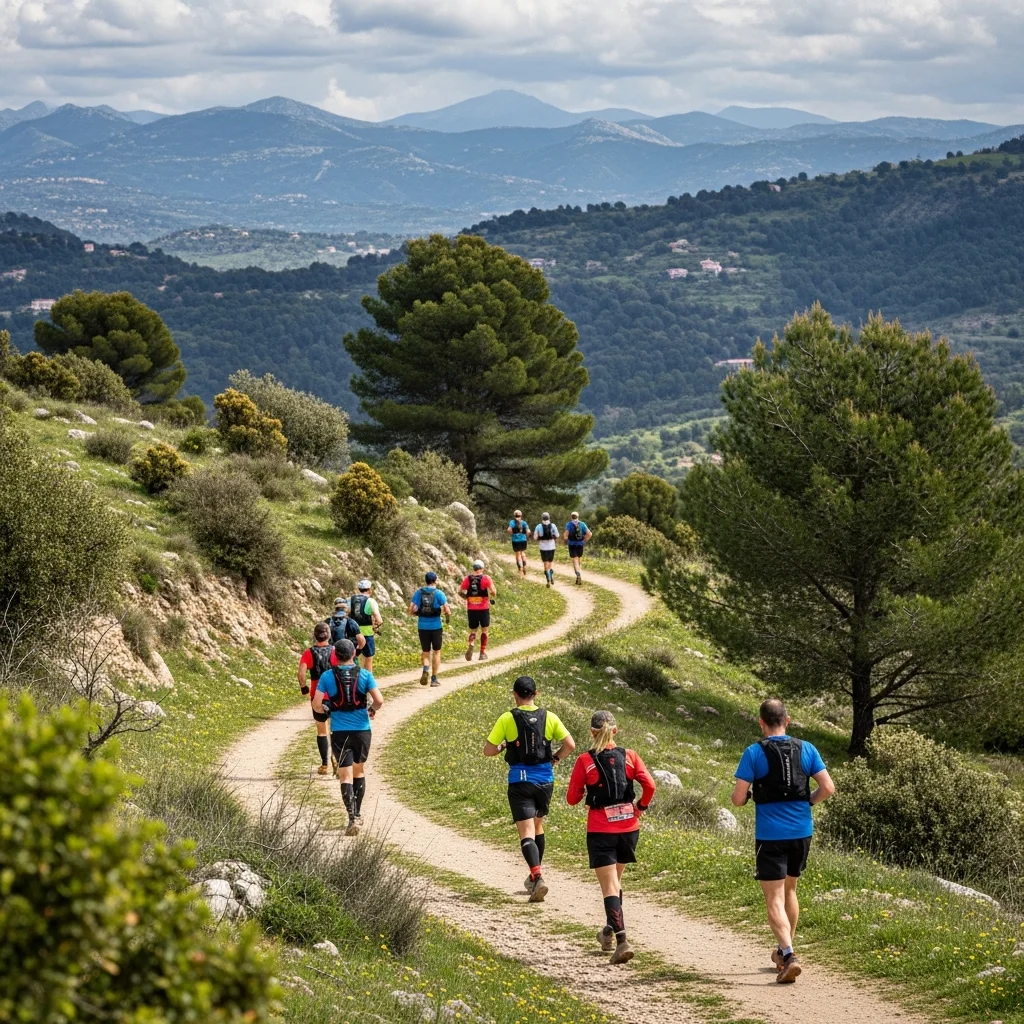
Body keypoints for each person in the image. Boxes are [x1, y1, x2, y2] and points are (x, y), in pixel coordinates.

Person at [730, 698, 835, 985]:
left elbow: (739, 799)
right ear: (787, 720)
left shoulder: (754, 752)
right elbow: (827, 788)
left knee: (773, 897)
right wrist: (808, 802)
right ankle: (783, 951)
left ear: (761, 722)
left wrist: (749, 796)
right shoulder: (807, 749)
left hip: (771, 835)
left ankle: (789, 955)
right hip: (802, 832)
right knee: (791, 890)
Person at [566, 710, 656, 965]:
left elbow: (572, 799)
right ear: (615, 731)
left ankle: (622, 940)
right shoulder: (630, 756)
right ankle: (607, 933)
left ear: (591, 732)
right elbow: (650, 785)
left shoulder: (586, 760)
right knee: (615, 882)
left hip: (601, 829)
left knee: (609, 887)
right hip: (629, 828)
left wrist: (585, 793)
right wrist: (641, 807)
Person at [483, 675, 575, 904]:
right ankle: (534, 877)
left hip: (520, 780)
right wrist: (555, 759)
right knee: (537, 826)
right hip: (545, 780)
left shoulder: (507, 718)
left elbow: (488, 750)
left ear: (514, 694)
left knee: (526, 833)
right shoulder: (550, 717)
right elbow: (570, 745)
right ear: (536, 694)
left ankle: (537, 876)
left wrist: (504, 745)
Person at [312, 638, 383, 836]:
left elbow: (317, 704)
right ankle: (358, 814)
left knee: (345, 774)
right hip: (362, 730)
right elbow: (379, 700)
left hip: (339, 731)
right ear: (353, 654)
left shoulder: (327, 676)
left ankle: (351, 816)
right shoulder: (365, 674)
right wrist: (371, 710)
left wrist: (326, 710)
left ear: (335, 656)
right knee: (359, 771)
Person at [296, 622, 335, 776]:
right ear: (329, 635)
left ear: (314, 635)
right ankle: (337, 759)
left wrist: (303, 687)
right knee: (336, 728)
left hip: (317, 696)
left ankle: (324, 764)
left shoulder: (308, 653)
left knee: (321, 730)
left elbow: (301, 674)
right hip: (333, 694)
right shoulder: (334, 651)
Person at [408, 571, 451, 687]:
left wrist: (415, 613)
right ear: (435, 580)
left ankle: (426, 668)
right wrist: (447, 616)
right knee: (436, 652)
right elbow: (447, 610)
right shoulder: (439, 593)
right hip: (436, 626)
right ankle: (434, 678)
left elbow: (411, 609)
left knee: (425, 652)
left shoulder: (419, 593)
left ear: (425, 580)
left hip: (422, 627)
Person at [460, 558, 496, 661]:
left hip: (471, 608)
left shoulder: (467, 579)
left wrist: (466, 597)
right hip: (483, 608)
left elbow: (460, 591)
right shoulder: (486, 578)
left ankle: (471, 644)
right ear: (482, 568)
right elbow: (494, 592)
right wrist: (490, 595)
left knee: (473, 630)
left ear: (473, 568)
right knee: (484, 630)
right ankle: (482, 653)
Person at [349, 579, 383, 673]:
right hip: (367, 634)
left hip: (353, 634)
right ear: (369, 590)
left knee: (353, 657)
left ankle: (354, 679)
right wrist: (376, 627)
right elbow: (379, 619)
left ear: (359, 589)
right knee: (368, 659)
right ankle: (368, 682)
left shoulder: (350, 600)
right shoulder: (370, 601)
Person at [563, 511, 593, 586]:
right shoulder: (582, 524)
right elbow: (590, 534)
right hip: (580, 544)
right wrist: (584, 541)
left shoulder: (569, 524)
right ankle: (578, 574)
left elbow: (565, 535)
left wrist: (566, 541)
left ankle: (578, 574)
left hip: (572, 544)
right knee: (578, 558)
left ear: (571, 517)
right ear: (578, 517)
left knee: (575, 560)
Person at [533, 512, 558, 586]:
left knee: (545, 563)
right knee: (550, 563)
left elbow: (535, 537)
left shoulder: (538, 526)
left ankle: (548, 578)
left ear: (542, 518)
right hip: (552, 546)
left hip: (543, 547)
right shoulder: (553, 525)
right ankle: (550, 576)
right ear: (549, 518)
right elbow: (557, 535)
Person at [507, 510, 531, 576]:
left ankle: (520, 568)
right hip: (523, 540)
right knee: (522, 552)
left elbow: (509, 530)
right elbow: (528, 531)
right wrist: (526, 536)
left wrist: (512, 534)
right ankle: (525, 565)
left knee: (517, 554)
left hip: (515, 540)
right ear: (521, 515)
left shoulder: (512, 522)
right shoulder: (524, 522)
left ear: (514, 516)